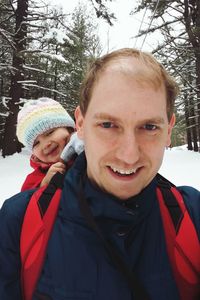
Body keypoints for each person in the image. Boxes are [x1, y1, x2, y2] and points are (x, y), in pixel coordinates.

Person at [0, 48, 200, 300]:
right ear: (81, 124)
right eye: (108, 125)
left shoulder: (191, 216)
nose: (129, 155)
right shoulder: (19, 222)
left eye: (149, 127)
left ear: (168, 130)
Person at [16, 97, 84, 191]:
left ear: (68, 128)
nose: (45, 144)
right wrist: (44, 184)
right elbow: (25, 200)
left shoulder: (86, 144)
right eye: (36, 143)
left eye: (49, 133)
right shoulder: (35, 178)